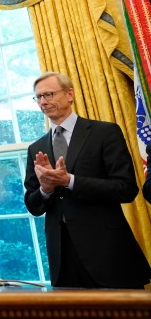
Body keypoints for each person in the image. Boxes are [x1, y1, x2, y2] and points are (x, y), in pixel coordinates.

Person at [24, 72, 151, 289]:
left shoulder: (104, 132)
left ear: (70, 94)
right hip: (63, 256)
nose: (43, 102)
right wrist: (45, 189)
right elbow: (33, 205)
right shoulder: (36, 148)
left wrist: (69, 180)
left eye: (49, 94)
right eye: (39, 97)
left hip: (107, 252)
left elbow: (126, 188)